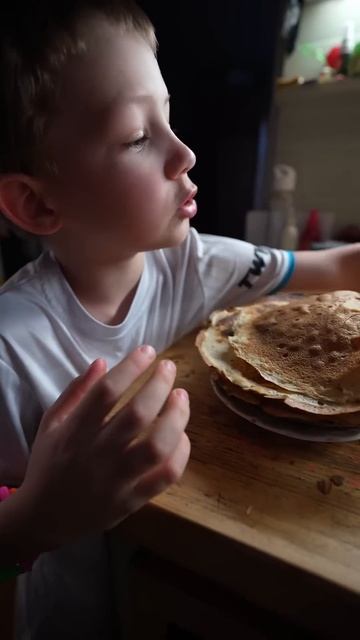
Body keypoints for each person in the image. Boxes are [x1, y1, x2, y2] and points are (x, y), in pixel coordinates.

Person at [0, 1, 358, 637]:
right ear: (35, 200)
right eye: (138, 136)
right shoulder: (11, 353)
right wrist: (32, 523)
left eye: (168, 117)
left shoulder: (197, 267)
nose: (184, 153)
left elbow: (337, 270)